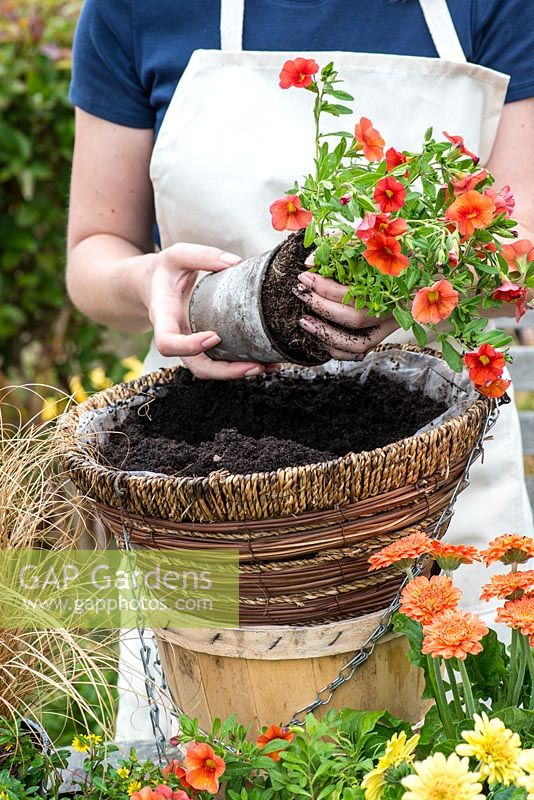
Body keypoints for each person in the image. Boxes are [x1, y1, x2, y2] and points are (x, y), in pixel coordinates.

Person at [67, 0, 534, 739]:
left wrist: (411, 279)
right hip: (211, 475)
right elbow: (93, 248)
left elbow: (520, 232)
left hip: (437, 469)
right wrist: (149, 281)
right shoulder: (133, 9)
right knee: (222, 748)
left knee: (460, 751)